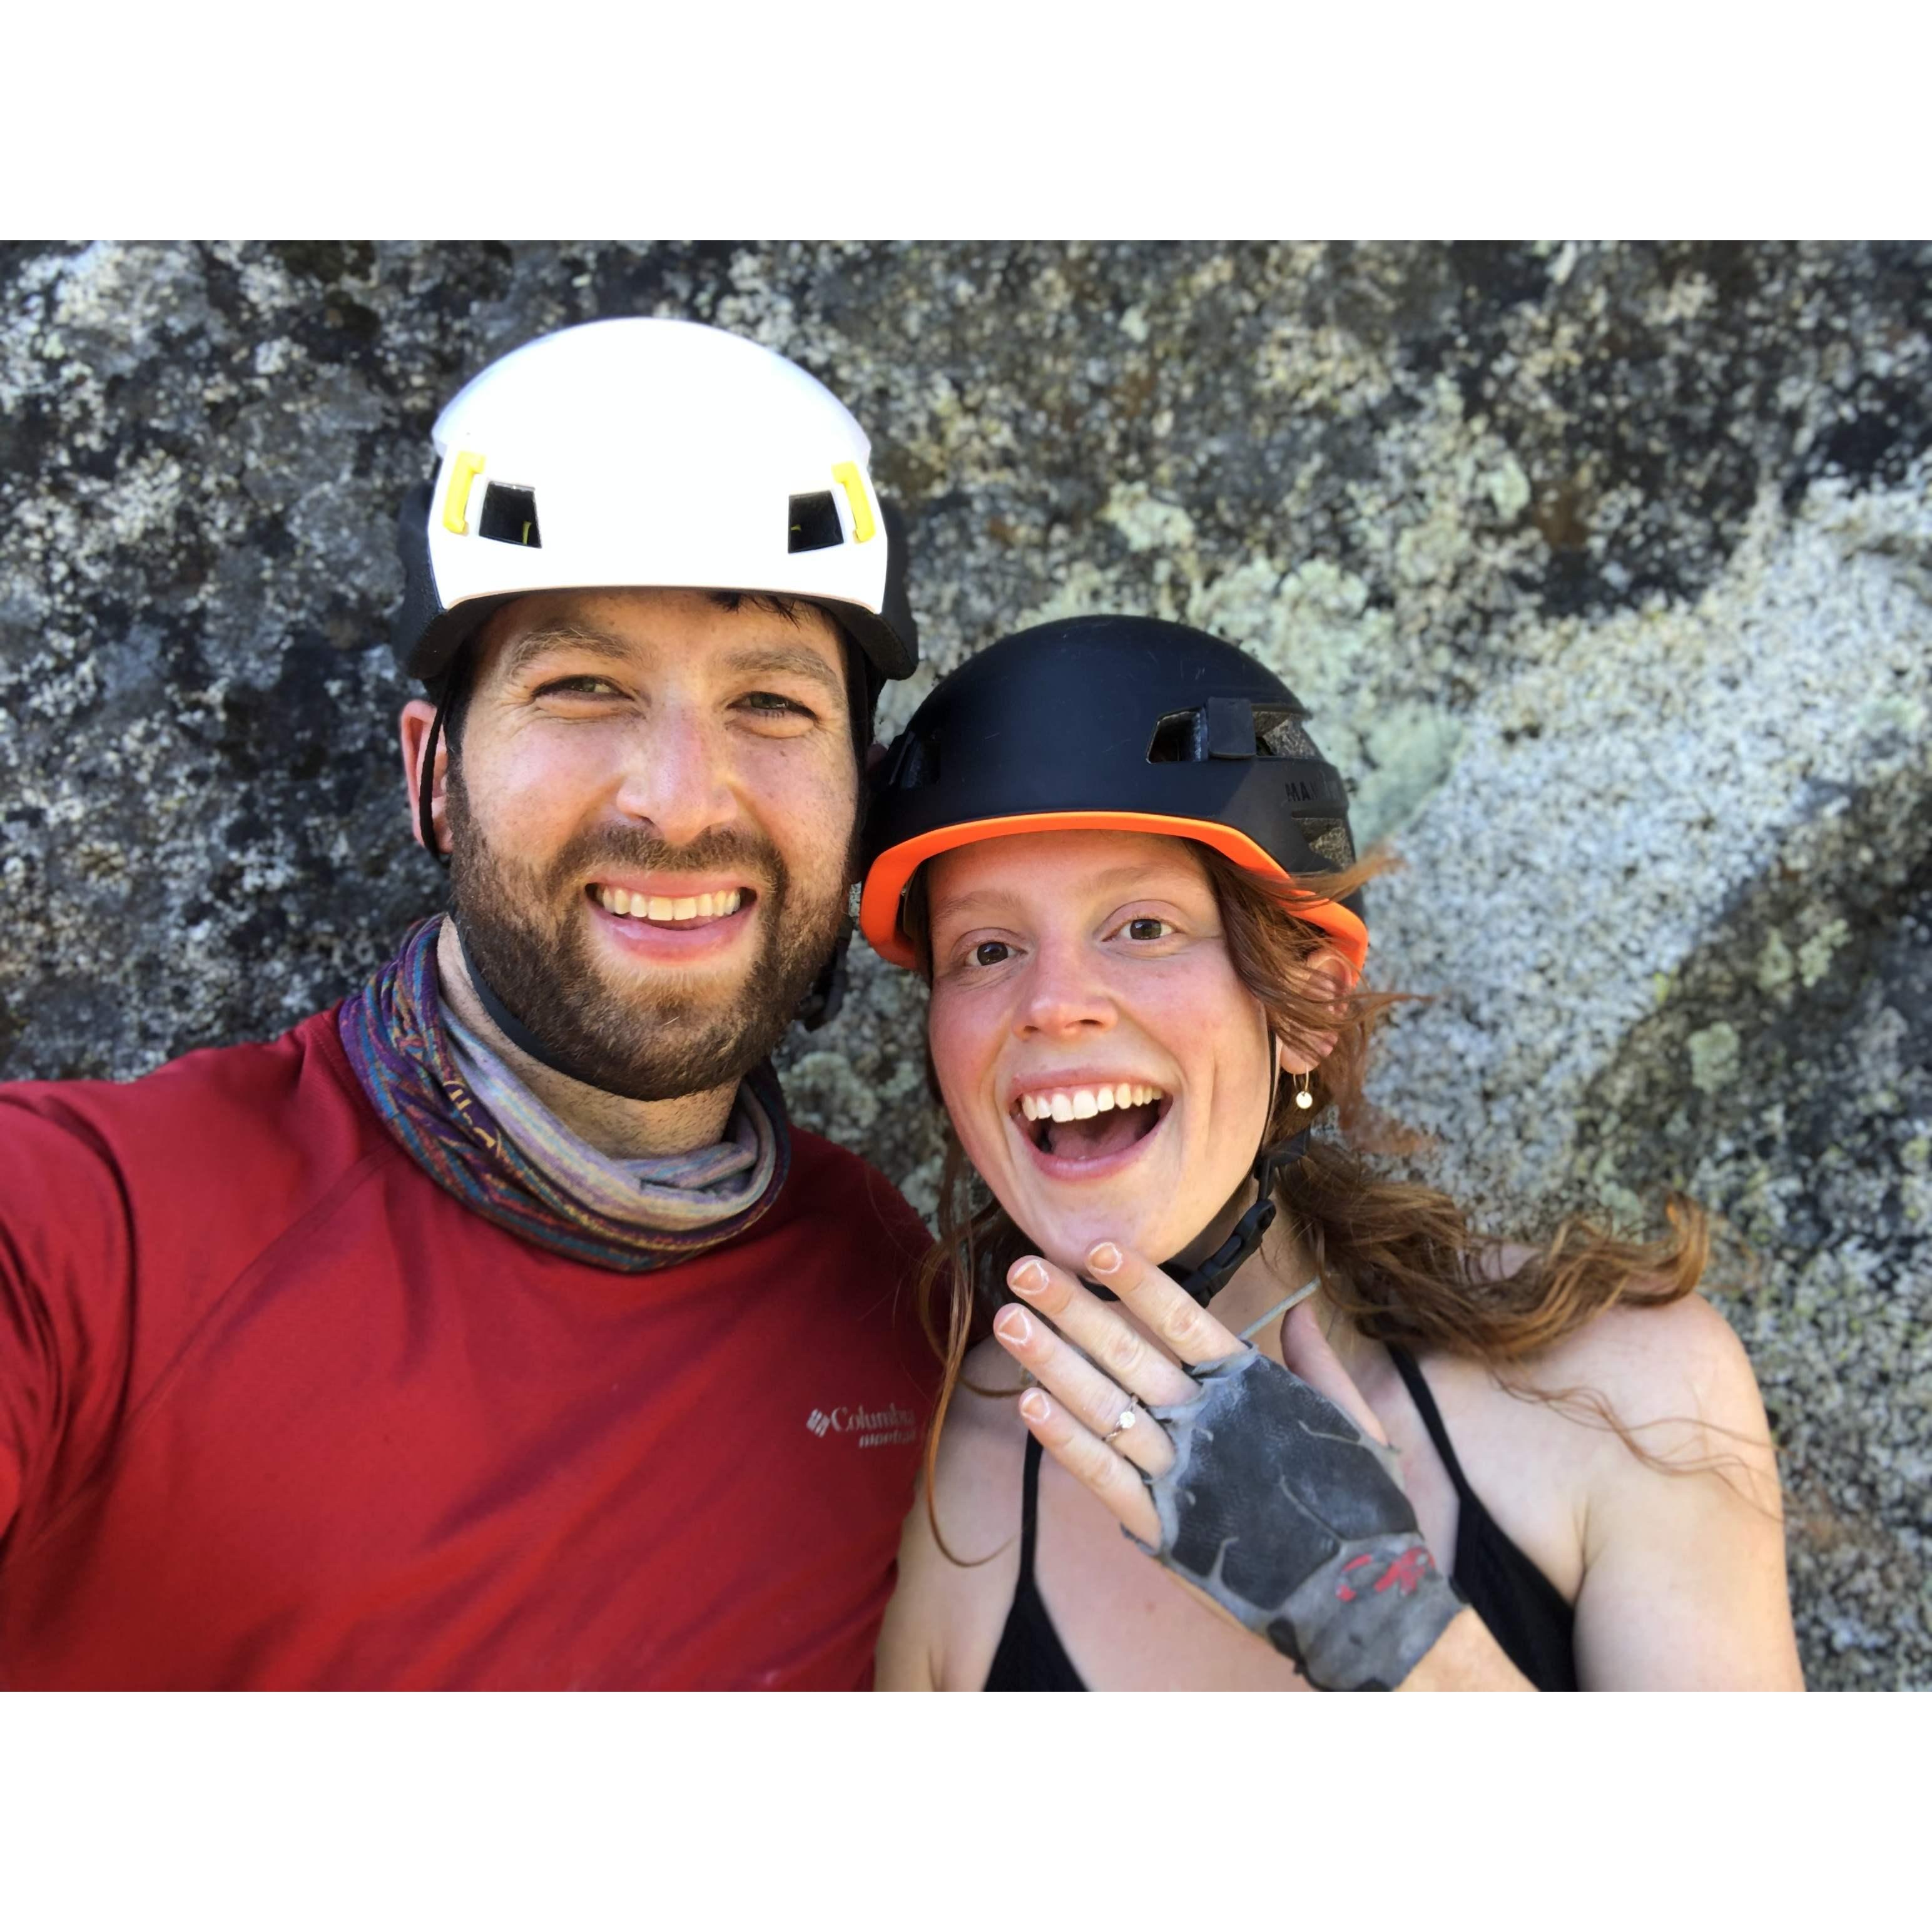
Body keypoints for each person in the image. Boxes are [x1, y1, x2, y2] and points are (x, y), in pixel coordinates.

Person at [0, 317, 940, 1690]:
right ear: (431, 776)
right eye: (582, 687)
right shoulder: (90, 1227)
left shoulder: (887, 1288)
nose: (681, 799)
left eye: (771, 703)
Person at [865, 614, 1804, 1690]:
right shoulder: (950, 1490)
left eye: (1144, 927)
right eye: (988, 948)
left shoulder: (1628, 1396)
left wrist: (1385, 1628)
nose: (1053, 1004)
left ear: (1309, 1005)